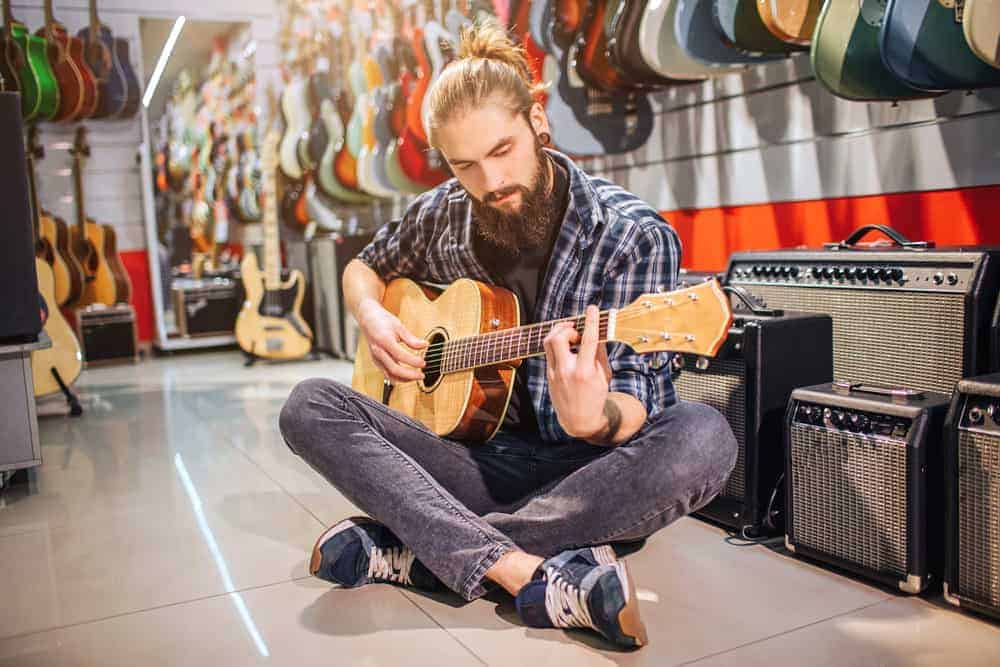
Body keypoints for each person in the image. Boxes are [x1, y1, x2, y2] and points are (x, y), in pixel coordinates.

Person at [279, 19, 737, 650]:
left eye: (502, 151)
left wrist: (595, 420)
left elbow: (640, 395)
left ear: (537, 122)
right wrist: (374, 315)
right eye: (465, 164)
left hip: (582, 472)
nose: (490, 182)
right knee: (310, 405)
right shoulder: (444, 211)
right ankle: (525, 570)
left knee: (703, 438)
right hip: (469, 461)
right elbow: (366, 266)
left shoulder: (630, 236)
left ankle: (420, 548)